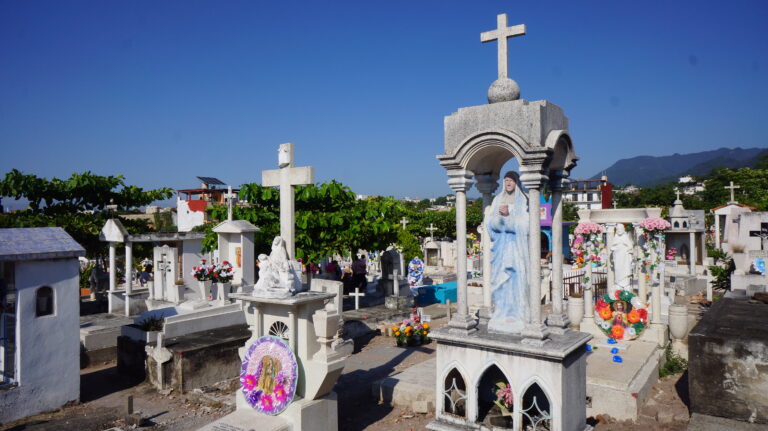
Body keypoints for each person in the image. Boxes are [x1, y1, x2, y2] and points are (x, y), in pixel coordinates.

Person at [487, 171, 531, 334]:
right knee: (500, 282)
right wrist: (500, 219)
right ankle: (501, 313)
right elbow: (490, 224)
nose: (508, 184)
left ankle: (518, 314)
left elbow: (527, 226)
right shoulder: (497, 199)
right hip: (501, 249)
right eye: (506, 181)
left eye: (511, 180)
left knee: (516, 280)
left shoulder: (524, 200)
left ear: (517, 182)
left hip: (516, 249)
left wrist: (508, 217)